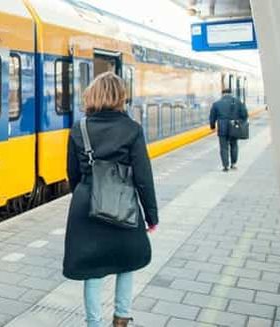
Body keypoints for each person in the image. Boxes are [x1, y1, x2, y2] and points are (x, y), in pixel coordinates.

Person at [63, 72, 159, 327]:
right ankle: (121, 319)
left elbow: (72, 173)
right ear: (120, 97)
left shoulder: (79, 128)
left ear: (92, 96)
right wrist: (151, 216)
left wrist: (86, 196)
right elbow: (143, 177)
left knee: (92, 268)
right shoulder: (132, 129)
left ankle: (94, 323)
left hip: (86, 205)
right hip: (123, 203)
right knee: (126, 260)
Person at [210, 88, 248, 171]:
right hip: (234, 127)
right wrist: (240, 122)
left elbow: (212, 117)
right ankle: (233, 164)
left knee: (223, 147)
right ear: (231, 93)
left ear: (222, 94)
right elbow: (245, 114)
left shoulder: (216, 104)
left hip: (222, 128)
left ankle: (225, 166)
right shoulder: (238, 102)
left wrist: (212, 127)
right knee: (234, 145)